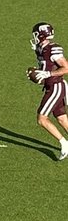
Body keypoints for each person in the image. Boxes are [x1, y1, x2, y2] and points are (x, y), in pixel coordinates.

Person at [27, 23, 68, 160]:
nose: (34, 37)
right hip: (51, 86)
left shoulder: (53, 49)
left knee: (42, 119)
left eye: (36, 34)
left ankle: (64, 143)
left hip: (56, 86)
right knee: (61, 118)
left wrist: (49, 74)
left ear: (42, 34)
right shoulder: (41, 48)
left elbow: (66, 68)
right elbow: (44, 61)